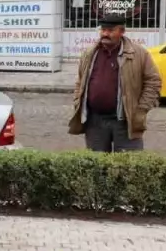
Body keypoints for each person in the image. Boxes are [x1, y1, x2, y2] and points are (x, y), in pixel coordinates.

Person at [69, 13, 161, 152]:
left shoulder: (139, 54)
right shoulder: (90, 53)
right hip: (95, 121)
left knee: (128, 165)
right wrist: (78, 100)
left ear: (122, 31)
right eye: (103, 30)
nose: (105, 34)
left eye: (111, 30)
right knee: (97, 166)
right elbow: (80, 81)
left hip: (125, 121)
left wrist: (140, 109)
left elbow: (153, 82)